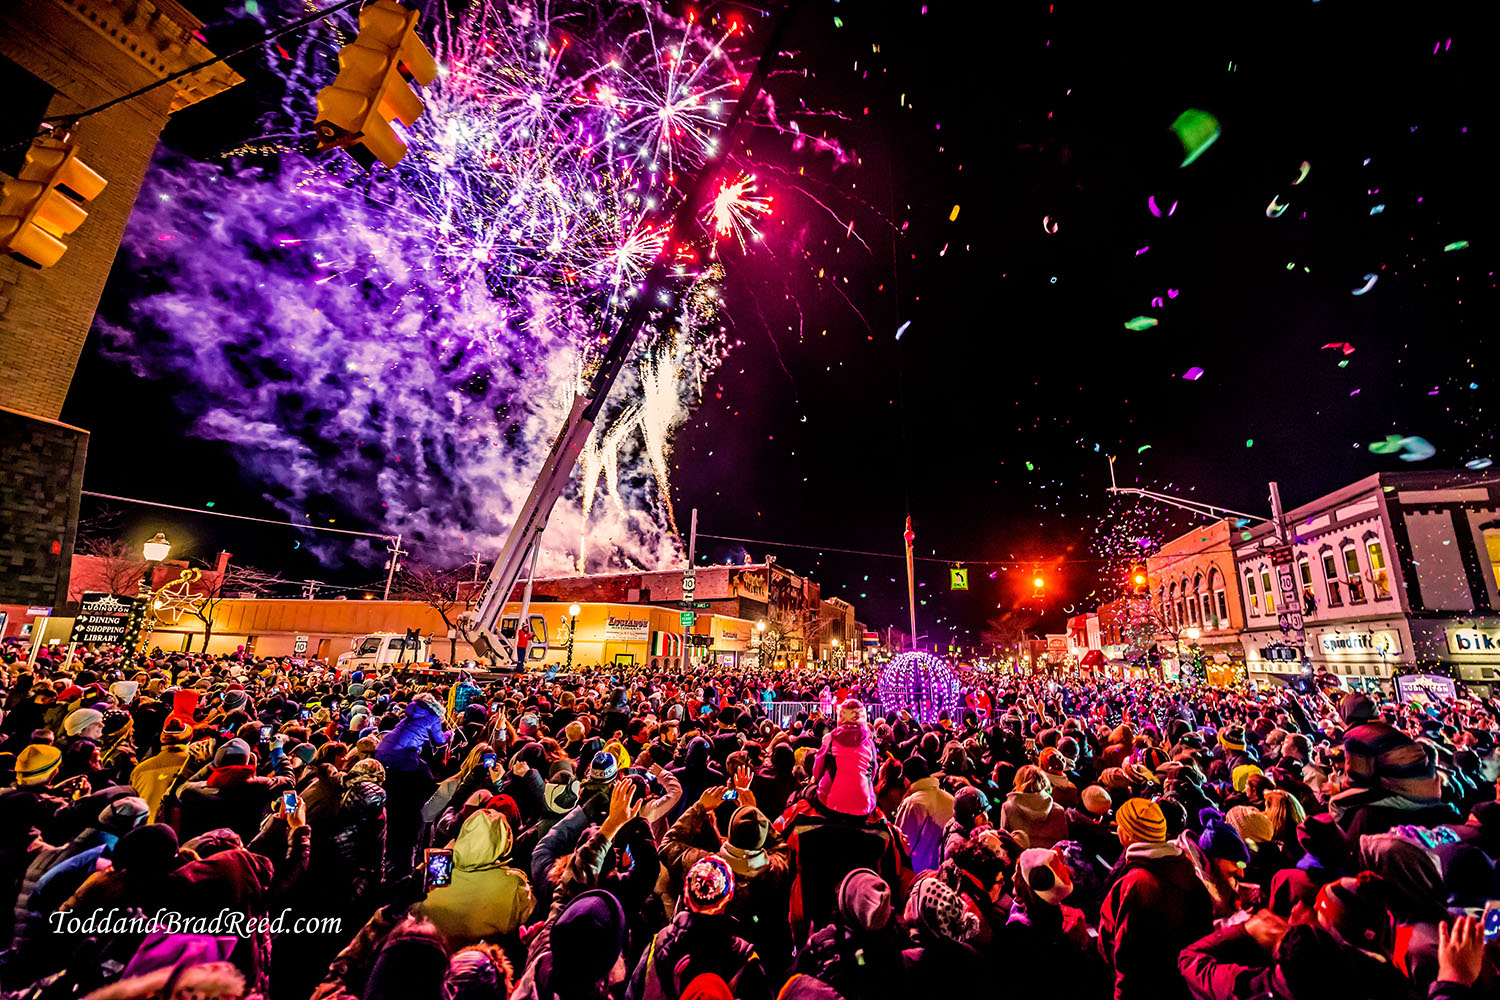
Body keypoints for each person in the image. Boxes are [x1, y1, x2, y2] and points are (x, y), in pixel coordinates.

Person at [1098, 798, 1212, 1000]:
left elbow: (1128, 957)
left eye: (1121, 824)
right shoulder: (1183, 868)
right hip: (1178, 986)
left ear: (1130, 834)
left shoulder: (1136, 885)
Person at [893, 755, 954, 873]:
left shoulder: (912, 804)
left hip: (919, 875)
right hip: (944, 873)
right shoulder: (950, 799)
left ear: (907, 780)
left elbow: (902, 844)